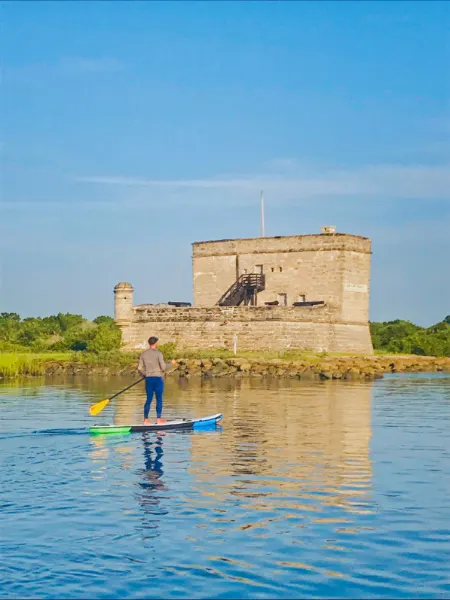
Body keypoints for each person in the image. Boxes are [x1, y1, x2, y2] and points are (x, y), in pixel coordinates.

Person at [138, 336, 177, 424]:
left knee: (148, 399)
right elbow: (163, 368)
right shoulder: (159, 353)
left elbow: (139, 369)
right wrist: (171, 363)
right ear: (155, 343)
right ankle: (158, 419)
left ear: (149, 343)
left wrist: (144, 375)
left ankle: (146, 419)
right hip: (157, 379)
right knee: (159, 399)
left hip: (148, 379)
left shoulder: (143, 354)